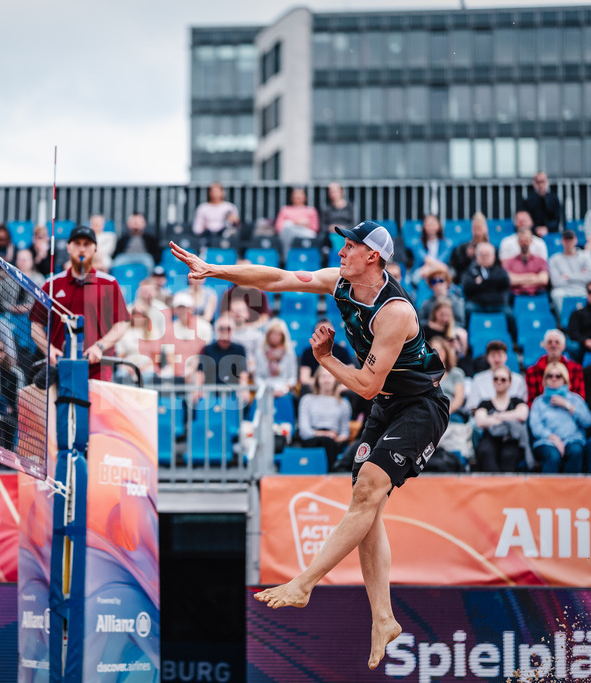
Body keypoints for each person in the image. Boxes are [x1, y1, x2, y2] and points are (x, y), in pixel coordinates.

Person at [172, 219, 449, 671]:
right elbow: (276, 277)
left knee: (366, 493)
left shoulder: (395, 311)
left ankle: (303, 583)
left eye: (350, 245)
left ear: (372, 256)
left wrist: (324, 359)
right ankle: (384, 618)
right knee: (368, 507)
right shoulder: (342, 282)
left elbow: (362, 385)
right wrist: (213, 269)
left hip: (420, 407)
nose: (340, 250)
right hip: (386, 405)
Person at [30, 225, 130, 381]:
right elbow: (35, 325)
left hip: (98, 370)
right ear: (69, 247)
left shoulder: (109, 283)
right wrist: (48, 349)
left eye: (87, 244)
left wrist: (100, 346)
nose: (82, 249)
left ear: (95, 248)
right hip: (59, 369)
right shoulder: (52, 284)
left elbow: (121, 324)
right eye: (77, 244)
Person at [528, 362, 591, 474]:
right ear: (545, 380)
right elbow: (536, 427)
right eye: (550, 376)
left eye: (558, 376)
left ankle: (571, 489)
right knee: (553, 456)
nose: (554, 379)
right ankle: (548, 490)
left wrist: (568, 406)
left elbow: (587, 422)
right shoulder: (539, 402)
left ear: (565, 379)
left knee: (576, 451)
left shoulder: (575, 399)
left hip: (572, 440)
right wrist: (553, 438)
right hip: (546, 442)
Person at [473, 367, 530, 472]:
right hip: (490, 440)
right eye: (496, 379)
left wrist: (495, 416)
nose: (499, 382)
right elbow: (480, 421)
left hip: (511, 440)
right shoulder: (485, 403)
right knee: (486, 452)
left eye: (503, 379)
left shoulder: (517, 401)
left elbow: (523, 415)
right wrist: (510, 417)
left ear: (510, 382)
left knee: (509, 454)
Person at [297, 366, 352, 470]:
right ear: (317, 379)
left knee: (329, 443)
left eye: (330, 376)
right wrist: (324, 434)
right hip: (312, 437)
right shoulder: (307, 400)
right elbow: (304, 431)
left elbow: (345, 432)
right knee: (324, 441)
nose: (326, 380)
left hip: (333, 439)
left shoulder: (343, 403)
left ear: (336, 379)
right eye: (323, 376)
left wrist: (337, 437)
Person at [523, 329, 585, 405]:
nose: (553, 345)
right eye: (549, 342)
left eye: (557, 342)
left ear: (564, 346)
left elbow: (580, 400)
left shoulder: (575, 369)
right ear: (544, 346)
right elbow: (531, 402)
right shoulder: (532, 371)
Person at [465, 340, 527, 411]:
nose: (497, 359)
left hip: (512, 419)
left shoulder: (518, 380)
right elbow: (472, 407)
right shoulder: (478, 379)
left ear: (506, 357)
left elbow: (522, 407)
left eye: (500, 355)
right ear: (488, 358)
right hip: (484, 419)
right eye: (493, 355)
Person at [460, 242, 511, 324]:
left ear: (493, 257)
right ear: (476, 257)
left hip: (497, 304)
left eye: (487, 255)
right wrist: (492, 284)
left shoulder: (499, 271)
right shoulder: (470, 271)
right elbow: (467, 286)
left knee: (510, 315)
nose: (484, 258)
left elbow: (505, 282)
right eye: (481, 255)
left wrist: (482, 282)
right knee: (467, 310)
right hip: (477, 304)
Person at [548, 229, 591, 316]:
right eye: (566, 239)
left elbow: (589, 278)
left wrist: (569, 276)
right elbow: (556, 282)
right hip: (564, 290)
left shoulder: (585, 256)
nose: (568, 242)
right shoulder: (554, 259)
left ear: (575, 240)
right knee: (556, 294)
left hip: (583, 289)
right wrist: (581, 275)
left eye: (571, 239)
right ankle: (564, 322)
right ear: (562, 241)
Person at [298, 318, 353, 392]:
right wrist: (323, 383)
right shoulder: (308, 352)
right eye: (321, 331)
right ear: (315, 334)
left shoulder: (342, 351)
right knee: (305, 389)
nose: (325, 334)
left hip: (338, 388)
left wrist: (337, 387)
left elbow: (351, 377)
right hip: (316, 387)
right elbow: (304, 379)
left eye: (328, 330)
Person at [194, 316, 250, 386]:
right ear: (216, 330)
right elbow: (200, 372)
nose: (225, 331)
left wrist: (244, 390)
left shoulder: (239, 349)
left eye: (228, 329)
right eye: (221, 328)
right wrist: (197, 389)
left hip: (232, 392)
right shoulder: (207, 349)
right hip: (211, 391)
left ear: (233, 330)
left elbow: (243, 372)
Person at [253, 318, 298, 397]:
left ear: (283, 336)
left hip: (284, 390)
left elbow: (292, 377)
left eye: (278, 334)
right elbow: (258, 377)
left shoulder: (289, 353)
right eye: (273, 333)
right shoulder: (260, 353)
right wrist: (265, 389)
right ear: (268, 335)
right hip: (265, 389)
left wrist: (284, 390)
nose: (275, 336)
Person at [407, 215, 453, 288]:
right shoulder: (417, 243)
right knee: (415, 277)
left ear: (438, 225)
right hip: (423, 270)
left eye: (433, 224)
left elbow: (443, 259)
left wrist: (431, 269)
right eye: (428, 224)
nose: (431, 227)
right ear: (424, 227)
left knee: (449, 275)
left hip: (440, 271)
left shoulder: (447, 243)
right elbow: (423, 258)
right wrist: (439, 267)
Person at [275, 187, 320, 256]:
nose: (298, 197)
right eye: (296, 195)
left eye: (300, 195)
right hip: (289, 233)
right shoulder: (285, 209)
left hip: (305, 231)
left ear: (305, 197)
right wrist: (295, 223)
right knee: (287, 225)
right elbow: (278, 227)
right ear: (292, 197)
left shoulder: (311, 210)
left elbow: (315, 228)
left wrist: (305, 224)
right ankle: (287, 257)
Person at [448, 212, 490, 281]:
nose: (477, 232)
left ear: (485, 229)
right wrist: (467, 257)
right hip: (467, 282)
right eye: (475, 228)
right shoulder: (463, 249)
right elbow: (455, 269)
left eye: (480, 228)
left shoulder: (492, 250)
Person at [518, 171, 562, 236]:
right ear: (534, 183)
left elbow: (558, 219)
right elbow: (525, 220)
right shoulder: (528, 200)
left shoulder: (554, 199)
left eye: (542, 182)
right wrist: (536, 229)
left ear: (547, 182)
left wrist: (547, 228)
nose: (540, 185)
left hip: (551, 233)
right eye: (538, 182)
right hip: (532, 234)